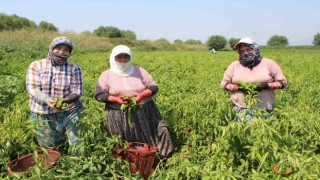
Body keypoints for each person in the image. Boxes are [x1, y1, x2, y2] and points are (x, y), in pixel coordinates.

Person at [95, 45, 173, 158]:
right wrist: (116, 99)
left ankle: (158, 159)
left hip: (145, 111)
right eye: (119, 57)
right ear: (113, 57)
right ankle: (130, 163)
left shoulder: (139, 71)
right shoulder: (107, 75)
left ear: (130, 57)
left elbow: (153, 87)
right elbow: (99, 95)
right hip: (118, 114)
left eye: (126, 56)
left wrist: (142, 95)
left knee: (161, 130)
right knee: (126, 141)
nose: (122, 60)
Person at [26, 36, 84, 152]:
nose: (62, 52)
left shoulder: (74, 68)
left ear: (70, 53)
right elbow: (33, 89)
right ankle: (56, 166)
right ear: (51, 48)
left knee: (78, 142)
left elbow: (77, 91)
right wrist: (48, 100)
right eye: (58, 48)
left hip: (70, 110)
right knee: (51, 147)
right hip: (43, 112)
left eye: (66, 49)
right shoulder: (36, 65)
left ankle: (78, 164)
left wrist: (65, 101)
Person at [220, 37, 287, 123]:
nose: (245, 52)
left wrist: (266, 86)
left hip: (264, 108)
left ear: (255, 48)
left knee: (262, 133)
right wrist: (238, 88)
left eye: (248, 49)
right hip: (241, 108)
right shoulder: (234, 65)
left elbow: (283, 83)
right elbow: (224, 84)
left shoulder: (269, 63)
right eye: (242, 51)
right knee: (243, 134)